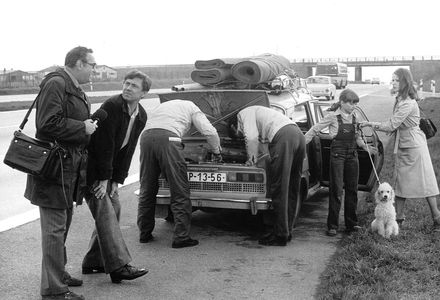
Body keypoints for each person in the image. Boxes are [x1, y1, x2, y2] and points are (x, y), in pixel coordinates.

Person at [24, 46, 98, 300]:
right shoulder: (57, 83)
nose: (94, 69)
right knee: (54, 230)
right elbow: (46, 124)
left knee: (61, 227)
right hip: (54, 169)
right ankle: (54, 290)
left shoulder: (72, 86)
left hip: (66, 170)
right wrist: (83, 127)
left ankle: (59, 274)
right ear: (78, 63)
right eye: (91, 64)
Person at [81, 70, 150, 283]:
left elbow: (127, 150)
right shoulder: (111, 106)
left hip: (107, 171)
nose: (128, 88)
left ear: (144, 93)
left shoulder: (141, 115)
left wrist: (116, 180)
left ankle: (94, 262)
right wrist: (103, 179)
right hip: (90, 168)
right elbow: (104, 146)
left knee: (114, 208)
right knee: (105, 211)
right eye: (126, 83)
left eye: (134, 86)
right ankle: (119, 265)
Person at [362, 68, 440, 231]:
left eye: (397, 80)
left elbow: (391, 125)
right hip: (407, 144)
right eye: (393, 80)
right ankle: (399, 218)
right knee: (401, 182)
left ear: (404, 82)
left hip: (414, 146)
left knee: (425, 182)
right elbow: (394, 125)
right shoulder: (401, 100)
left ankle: (436, 216)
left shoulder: (408, 102)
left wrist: (370, 124)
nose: (394, 83)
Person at [137, 99, 222, 248]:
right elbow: (210, 131)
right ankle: (181, 238)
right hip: (168, 140)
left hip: (146, 139)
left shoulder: (164, 106)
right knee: (179, 191)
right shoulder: (192, 106)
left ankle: (144, 233)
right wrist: (217, 151)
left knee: (147, 189)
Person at [228, 105, 306, 246]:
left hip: (284, 137)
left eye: (238, 134)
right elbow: (264, 150)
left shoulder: (244, 113)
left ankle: (280, 235)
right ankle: (287, 231)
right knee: (292, 187)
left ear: (234, 126)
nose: (241, 135)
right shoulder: (261, 113)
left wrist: (250, 161)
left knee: (279, 187)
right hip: (297, 135)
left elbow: (251, 138)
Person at [305, 89, 377, 237]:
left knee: (352, 190)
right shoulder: (332, 117)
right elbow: (314, 130)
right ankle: (332, 225)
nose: (353, 106)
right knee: (336, 190)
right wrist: (301, 144)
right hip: (337, 156)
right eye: (351, 103)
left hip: (352, 156)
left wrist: (366, 147)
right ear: (342, 102)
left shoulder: (355, 117)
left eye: (355, 103)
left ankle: (351, 224)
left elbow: (357, 138)